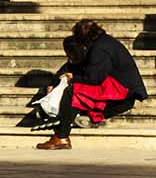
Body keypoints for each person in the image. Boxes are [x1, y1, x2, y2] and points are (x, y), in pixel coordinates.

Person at [37, 20, 147, 152]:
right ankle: (83, 117)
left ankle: (62, 136)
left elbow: (93, 79)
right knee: (76, 87)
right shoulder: (102, 42)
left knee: (73, 91)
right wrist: (54, 82)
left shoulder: (99, 49)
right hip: (121, 86)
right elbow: (76, 66)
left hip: (122, 89)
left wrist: (73, 78)